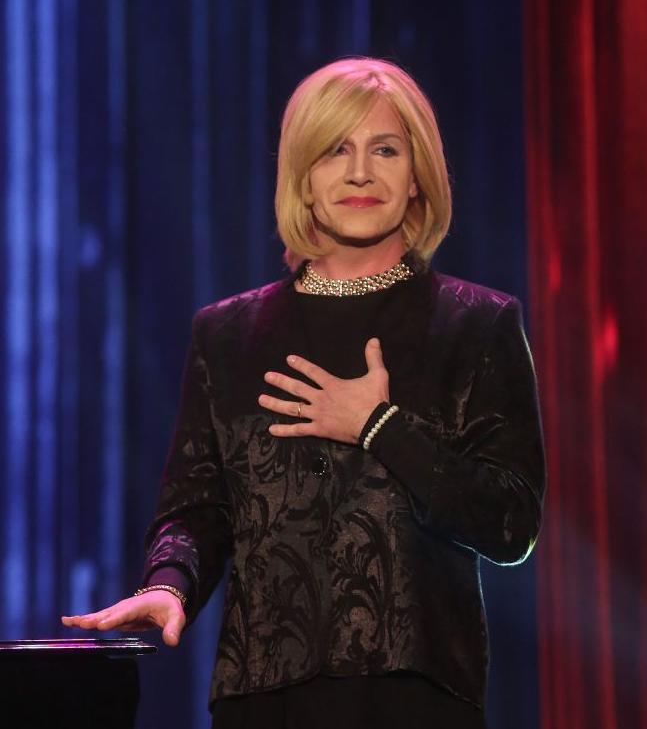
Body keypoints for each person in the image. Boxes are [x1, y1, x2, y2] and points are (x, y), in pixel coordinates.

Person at [62, 56, 546, 728]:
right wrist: (170, 584)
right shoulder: (228, 334)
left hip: (412, 695)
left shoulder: (476, 325)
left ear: (417, 177)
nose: (359, 172)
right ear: (303, 179)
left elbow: (510, 522)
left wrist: (380, 427)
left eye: (385, 150)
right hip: (263, 693)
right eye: (334, 151)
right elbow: (197, 507)